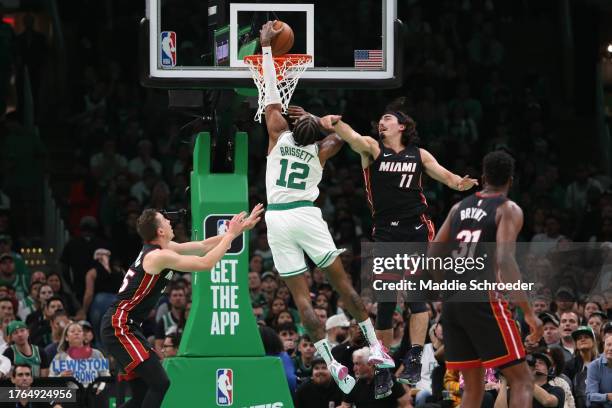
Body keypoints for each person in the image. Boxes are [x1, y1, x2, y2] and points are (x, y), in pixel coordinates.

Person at [259, 20, 392, 396]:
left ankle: (330, 362)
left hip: (277, 219)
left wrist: (268, 48)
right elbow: (340, 134)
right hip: (306, 213)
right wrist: (320, 122)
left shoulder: (274, 134)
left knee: (302, 299)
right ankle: (375, 345)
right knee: (342, 285)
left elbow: (271, 90)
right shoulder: (323, 150)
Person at [320, 104, 478, 390]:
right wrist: (335, 124)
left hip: (416, 228)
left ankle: (415, 358)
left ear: (402, 126)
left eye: (388, 119)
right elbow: (354, 138)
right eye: (380, 119)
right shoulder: (372, 149)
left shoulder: (420, 155)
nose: (382, 123)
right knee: (386, 303)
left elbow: (449, 179)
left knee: (417, 297)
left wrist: (463, 183)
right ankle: (383, 368)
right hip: (385, 233)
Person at [100, 206, 261, 407]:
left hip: (127, 326)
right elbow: (205, 264)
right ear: (160, 231)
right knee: (160, 383)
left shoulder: (164, 249)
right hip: (120, 326)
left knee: (143, 394)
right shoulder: (157, 256)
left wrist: (239, 230)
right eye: (165, 220)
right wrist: (230, 235)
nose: (169, 222)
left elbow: (202, 246)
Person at [431, 150, 543, 408]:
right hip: (483, 298)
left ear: (482, 178)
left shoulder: (458, 207)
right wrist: (528, 313)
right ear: (511, 181)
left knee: (472, 387)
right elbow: (505, 259)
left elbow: (433, 253)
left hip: (453, 300)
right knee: (523, 379)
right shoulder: (508, 209)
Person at [49, 322, 110, 395]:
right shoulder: (59, 357)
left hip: (93, 393)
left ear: (83, 336)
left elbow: (106, 374)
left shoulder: (96, 354)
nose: (76, 333)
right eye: (72, 331)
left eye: (79, 331)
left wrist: (101, 388)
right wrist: (61, 377)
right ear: (66, 338)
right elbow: (51, 379)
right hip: (70, 395)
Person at [340, 347, 411, 407]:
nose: (354, 369)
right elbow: (345, 405)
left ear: (370, 364)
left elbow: (406, 405)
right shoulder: (352, 383)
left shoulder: (389, 380)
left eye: (357, 364)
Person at [566, 326, 598, 408]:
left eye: (586, 337)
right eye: (579, 338)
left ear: (593, 341)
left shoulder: (603, 363)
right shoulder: (568, 366)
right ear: (576, 344)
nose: (582, 340)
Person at [585, 334, 612, 408]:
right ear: (604, 346)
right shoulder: (594, 366)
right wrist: (608, 396)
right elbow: (590, 395)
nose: (611, 348)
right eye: (608, 345)